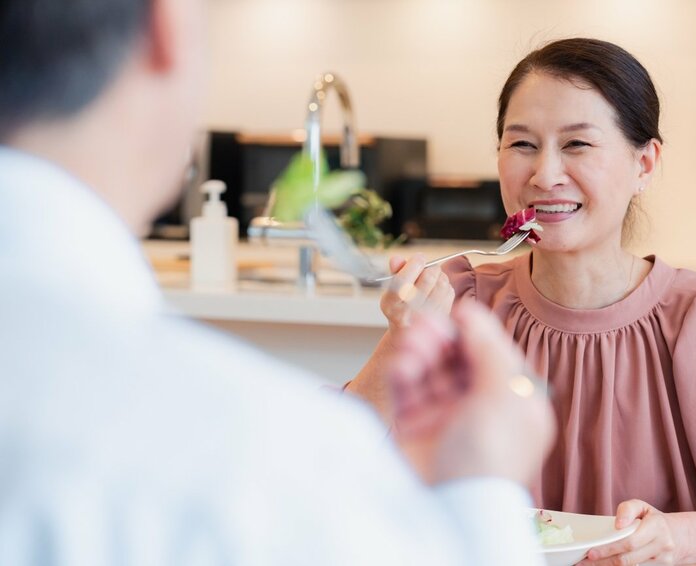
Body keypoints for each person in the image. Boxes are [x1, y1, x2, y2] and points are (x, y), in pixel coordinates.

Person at [0, 1, 557, 564]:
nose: (546, 174)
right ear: (165, 29)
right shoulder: (256, 455)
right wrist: (479, 492)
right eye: (522, 143)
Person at [347, 38, 696, 563]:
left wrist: (682, 537)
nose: (544, 174)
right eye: (521, 145)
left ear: (645, 164)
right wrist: (398, 345)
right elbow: (316, 469)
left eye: (578, 145)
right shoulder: (460, 305)